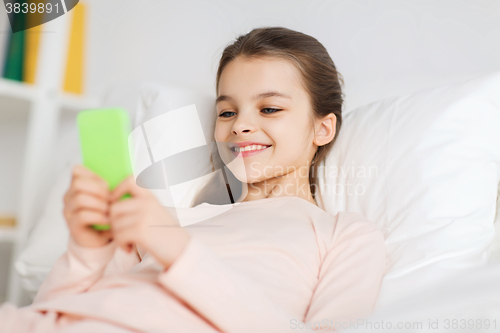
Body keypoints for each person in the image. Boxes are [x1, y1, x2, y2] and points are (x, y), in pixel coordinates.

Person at [0, 26, 387, 333]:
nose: (241, 126)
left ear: (323, 128)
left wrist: (176, 249)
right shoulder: (164, 218)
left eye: (269, 108)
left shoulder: (344, 235)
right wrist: (85, 252)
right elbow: (51, 314)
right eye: (226, 112)